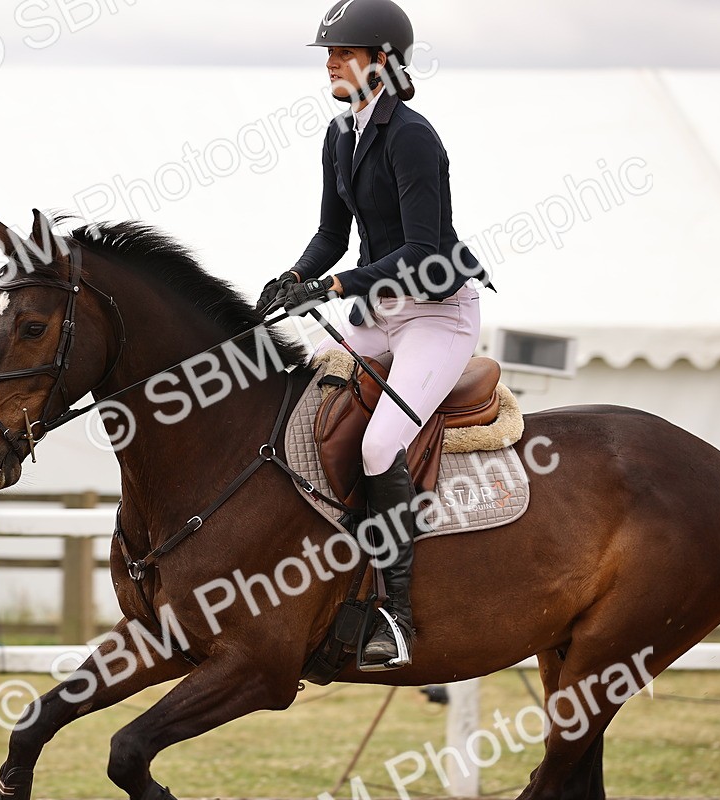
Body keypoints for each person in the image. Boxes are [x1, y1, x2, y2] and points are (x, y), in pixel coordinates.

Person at [255, 0, 494, 670]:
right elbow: (335, 235)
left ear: (382, 60)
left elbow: (423, 251)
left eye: (345, 52)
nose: (330, 62)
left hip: (436, 313)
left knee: (381, 440)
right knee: (308, 411)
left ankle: (396, 611)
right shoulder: (340, 133)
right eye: (330, 53)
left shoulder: (412, 135)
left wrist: (332, 288)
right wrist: (295, 275)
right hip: (380, 310)